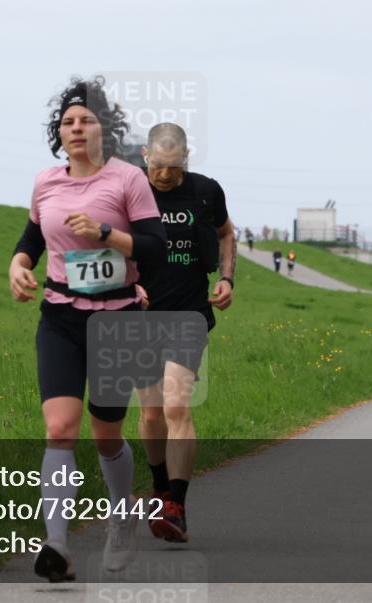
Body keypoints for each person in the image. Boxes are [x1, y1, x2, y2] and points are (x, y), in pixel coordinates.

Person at [9, 76, 167, 581]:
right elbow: (34, 231)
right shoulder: (45, 181)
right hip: (60, 317)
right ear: (60, 134)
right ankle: (56, 543)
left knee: (105, 435)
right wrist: (18, 264)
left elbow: (153, 246)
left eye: (86, 121)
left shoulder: (128, 179)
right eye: (68, 122)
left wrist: (103, 233)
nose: (76, 128)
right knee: (59, 429)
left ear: (105, 130)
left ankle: (121, 521)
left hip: (118, 318)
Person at [135, 122, 235, 543]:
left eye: (174, 167)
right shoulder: (128, 189)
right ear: (145, 156)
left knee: (177, 408)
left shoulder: (206, 191)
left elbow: (227, 234)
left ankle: (176, 506)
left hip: (188, 315)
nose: (165, 175)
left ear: (186, 157)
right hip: (137, 317)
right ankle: (159, 487)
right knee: (151, 413)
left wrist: (228, 278)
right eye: (158, 166)